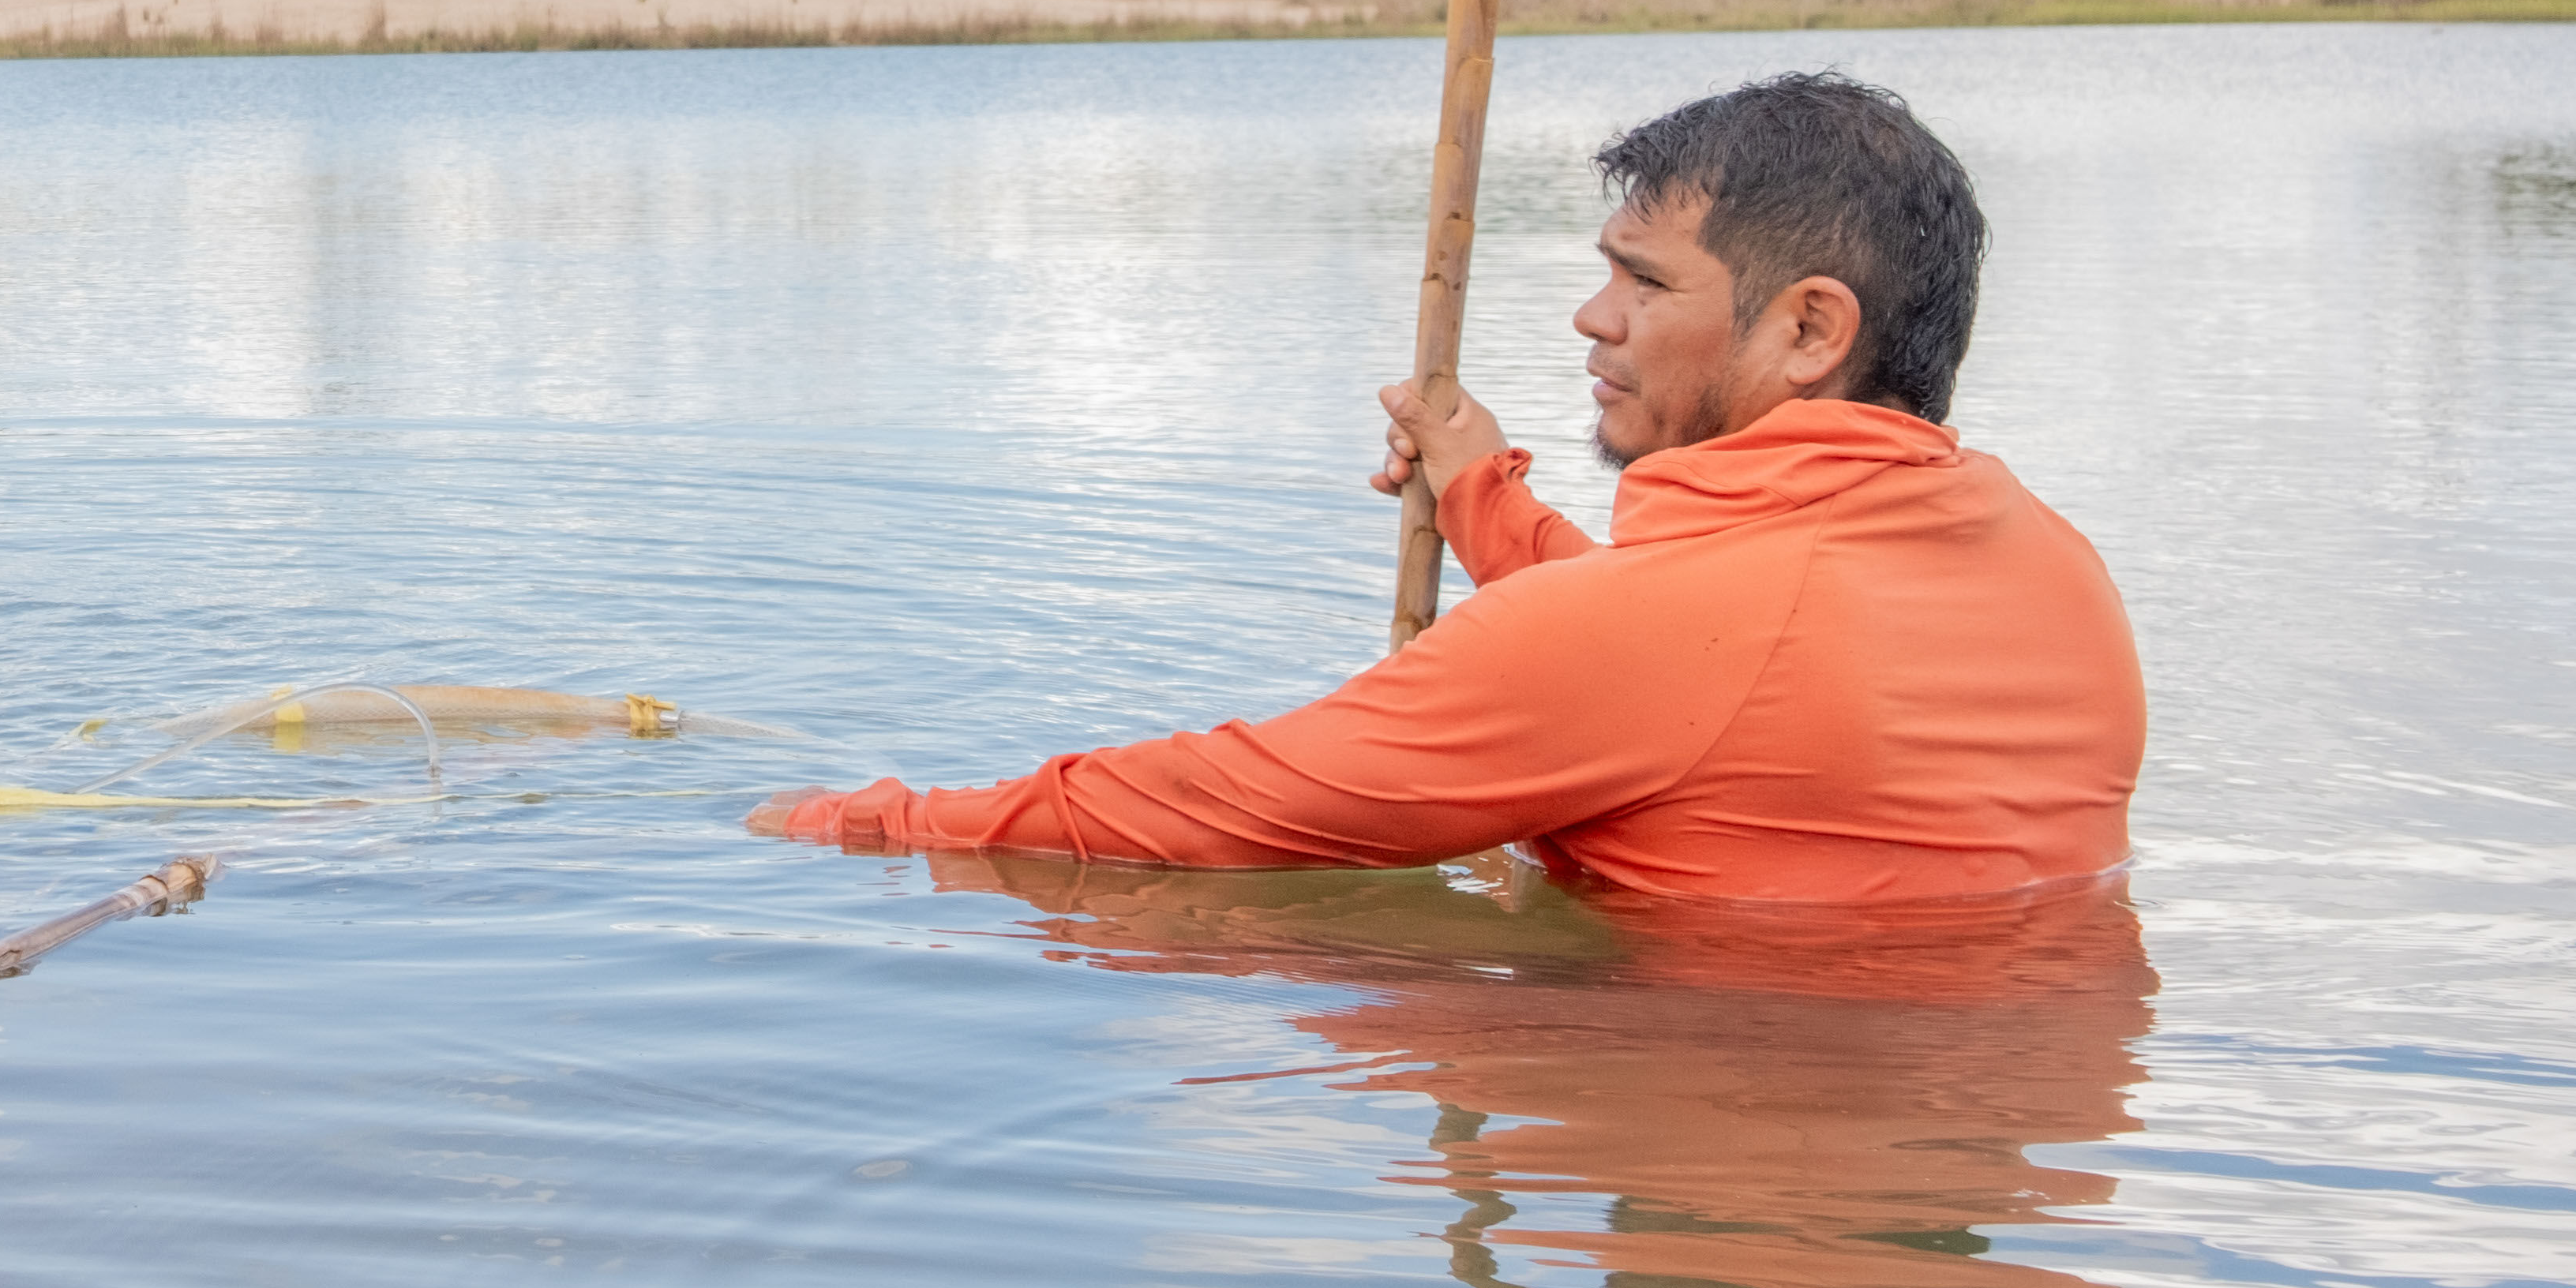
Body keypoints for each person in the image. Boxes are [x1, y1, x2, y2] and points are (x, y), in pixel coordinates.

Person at [756, 73, 2139, 903]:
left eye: (1643, 282)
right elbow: (1695, 686)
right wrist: (1484, 491)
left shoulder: (1678, 631)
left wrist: (859, 821)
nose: (1592, 320)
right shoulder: (2052, 565)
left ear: (1809, 331)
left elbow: (1220, 809)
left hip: (1737, 1149)